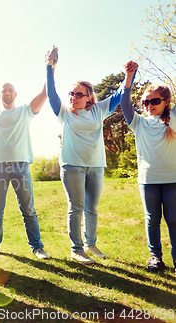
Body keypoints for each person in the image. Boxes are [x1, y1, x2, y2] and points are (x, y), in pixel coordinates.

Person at [46, 46, 132, 264]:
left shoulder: (98, 110)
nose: (73, 97)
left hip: (95, 166)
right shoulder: (64, 112)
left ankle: (90, 244)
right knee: (76, 207)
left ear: (88, 98)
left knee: (91, 208)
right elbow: (51, 93)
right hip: (72, 166)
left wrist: (129, 75)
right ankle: (76, 250)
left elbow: (120, 94)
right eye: (71, 94)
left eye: (78, 94)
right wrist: (50, 67)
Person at [0, 69, 50, 259]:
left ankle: (37, 247)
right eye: (4, 91)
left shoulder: (25, 110)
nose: (7, 93)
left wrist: (50, 67)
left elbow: (44, 94)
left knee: (28, 210)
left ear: (15, 94)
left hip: (21, 167)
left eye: (10, 90)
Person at [121, 61, 176, 273]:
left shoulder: (173, 119)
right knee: (152, 219)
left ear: (166, 102)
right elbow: (126, 104)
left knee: (173, 219)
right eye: (145, 101)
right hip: (148, 181)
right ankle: (155, 257)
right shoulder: (139, 123)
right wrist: (129, 77)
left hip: (172, 180)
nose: (148, 105)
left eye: (154, 101)